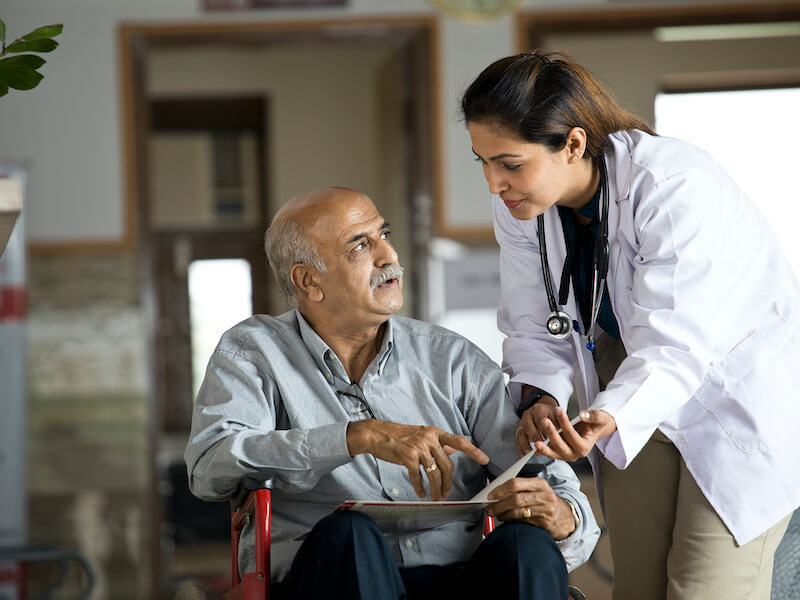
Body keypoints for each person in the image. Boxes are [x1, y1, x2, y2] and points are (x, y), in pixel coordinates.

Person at [460, 50, 800, 599]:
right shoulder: (520, 204)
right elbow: (531, 322)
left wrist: (608, 415)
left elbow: (678, 345)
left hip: (733, 391)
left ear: (572, 143)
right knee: (638, 588)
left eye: (510, 163)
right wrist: (541, 396)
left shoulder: (670, 184)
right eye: (483, 161)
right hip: (627, 377)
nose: (494, 183)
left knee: (705, 590)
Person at [184, 186, 600, 600]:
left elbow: (548, 479)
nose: (389, 257)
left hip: (459, 577)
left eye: (384, 235)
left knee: (526, 547)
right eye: (361, 245)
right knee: (350, 536)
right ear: (309, 281)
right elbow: (209, 469)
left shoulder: (452, 360)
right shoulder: (254, 351)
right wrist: (355, 437)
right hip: (329, 579)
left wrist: (563, 516)